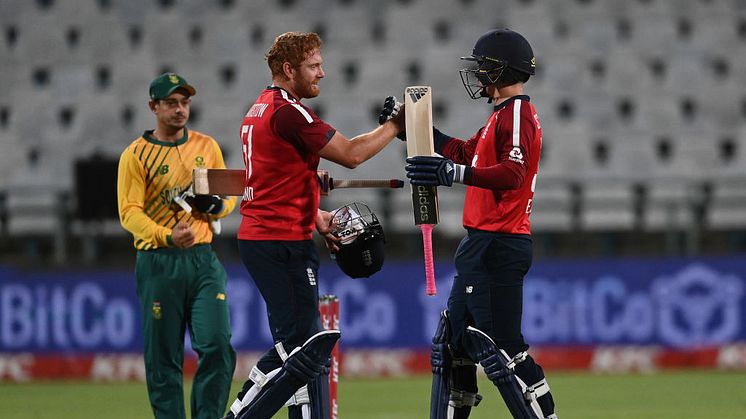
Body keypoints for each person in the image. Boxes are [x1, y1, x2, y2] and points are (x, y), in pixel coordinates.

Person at [224, 32, 404, 419]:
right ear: (289, 69)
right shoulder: (289, 112)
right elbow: (352, 155)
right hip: (278, 241)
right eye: (314, 65)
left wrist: (315, 215)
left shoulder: (262, 107)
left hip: (273, 234)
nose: (323, 72)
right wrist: (395, 126)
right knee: (301, 350)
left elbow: (278, 178)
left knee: (303, 351)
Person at [403, 29, 558, 418]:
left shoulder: (518, 112)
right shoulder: (499, 117)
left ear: (502, 69)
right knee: (452, 345)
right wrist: (408, 124)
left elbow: (513, 174)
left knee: (505, 347)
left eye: (483, 66)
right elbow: (461, 153)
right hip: (482, 245)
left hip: (499, 244)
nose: (477, 75)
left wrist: (452, 173)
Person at [117, 72, 237, 419]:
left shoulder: (206, 146)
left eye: (185, 102)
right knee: (163, 358)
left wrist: (216, 206)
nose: (180, 109)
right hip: (159, 261)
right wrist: (167, 235)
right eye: (171, 102)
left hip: (203, 260)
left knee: (217, 345)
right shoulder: (136, 156)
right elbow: (129, 214)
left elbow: (228, 197)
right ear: (153, 106)